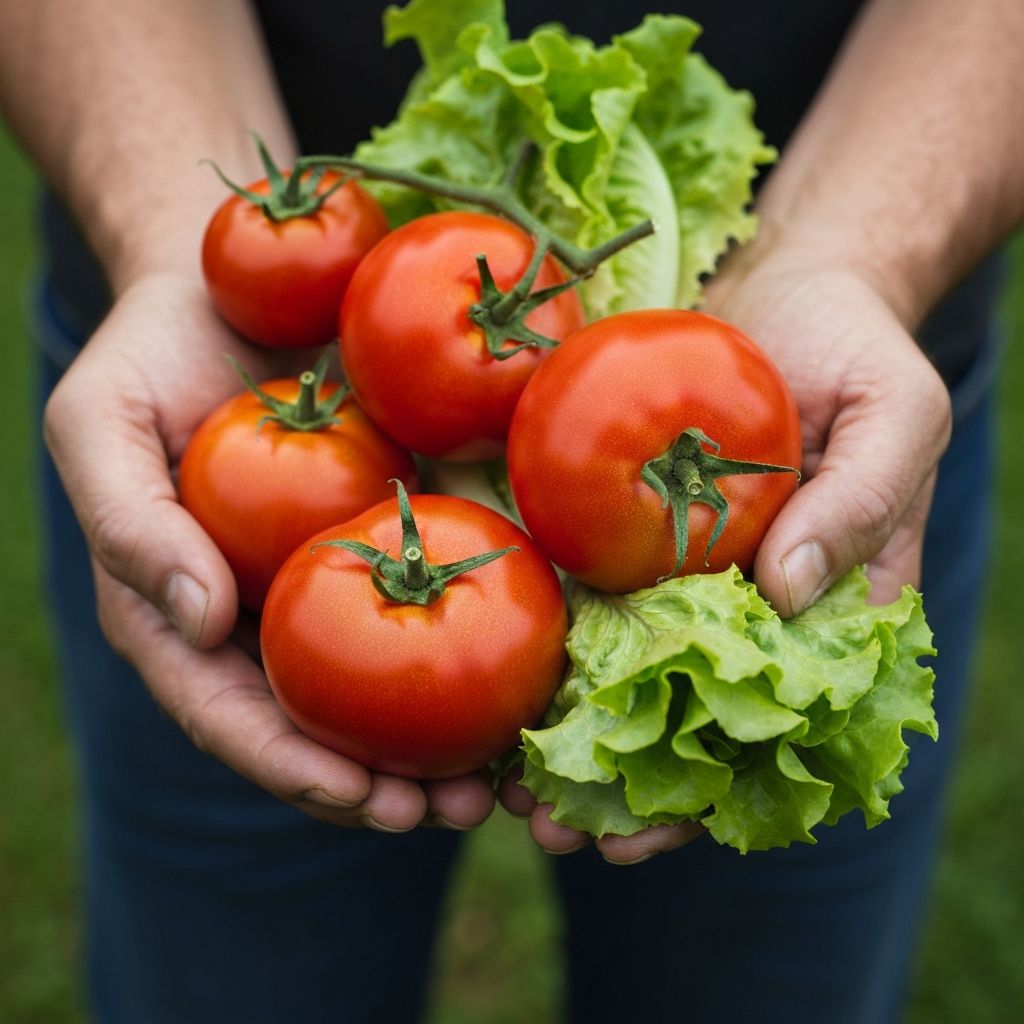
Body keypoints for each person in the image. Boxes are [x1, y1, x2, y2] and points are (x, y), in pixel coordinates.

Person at [0, 0, 1020, 1020]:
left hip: (828, 401)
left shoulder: (659, 402)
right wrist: (171, 241)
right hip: (220, 391)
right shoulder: (481, 347)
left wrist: (857, 262)